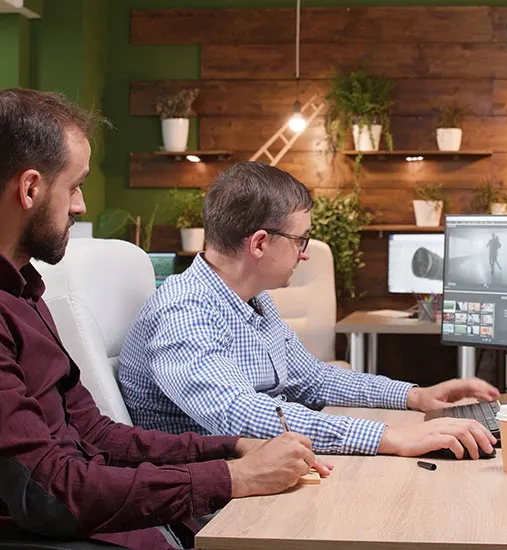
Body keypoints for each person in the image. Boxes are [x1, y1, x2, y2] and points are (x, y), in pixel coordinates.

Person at [0, 89, 330, 550]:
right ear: (31, 188)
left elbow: (95, 435)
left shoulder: (25, 292)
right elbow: (51, 492)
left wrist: (229, 449)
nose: (80, 206)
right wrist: (231, 477)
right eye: (74, 186)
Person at [117, 162, 499, 461]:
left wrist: (415, 396)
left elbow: (313, 379)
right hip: (213, 500)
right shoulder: (185, 311)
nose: (304, 253)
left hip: (258, 470)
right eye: (301, 239)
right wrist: (390, 437)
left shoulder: (254, 299)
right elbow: (240, 415)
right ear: (260, 244)